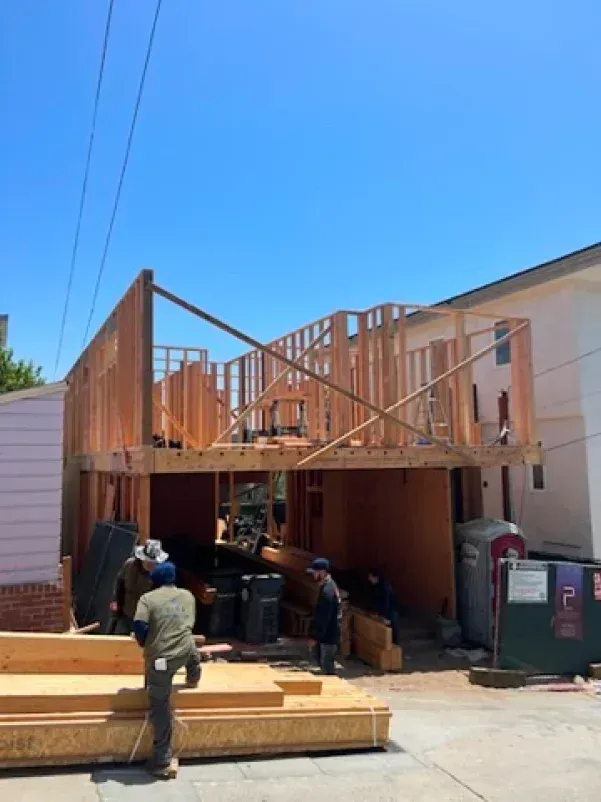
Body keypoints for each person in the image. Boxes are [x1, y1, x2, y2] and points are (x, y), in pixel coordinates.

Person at [133, 561, 201, 778]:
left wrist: (145, 643)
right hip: (184, 650)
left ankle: (162, 759)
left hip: (161, 659)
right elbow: (185, 624)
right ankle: (193, 677)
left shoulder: (147, 599)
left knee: (160, 705)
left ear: (154, 581)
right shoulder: (188, 596)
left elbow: (139, 626)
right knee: (189, 645)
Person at [110, 540, 169, 635]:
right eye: (148, 561)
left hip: (145, 620)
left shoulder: (160, 575)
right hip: (126, 614)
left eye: (153, 562)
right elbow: (119, 583)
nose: (150, 564)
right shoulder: (129, 565)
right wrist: (115, 601)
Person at [306, 557, 341, 675]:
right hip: (327, 636)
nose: (313, 575)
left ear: (323, 572)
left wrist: (315, 637)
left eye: (315, 573)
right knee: (325, 667)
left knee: (327, 670)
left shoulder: (327, 591)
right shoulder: (329, 587)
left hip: (327, 637)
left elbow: (323, 618)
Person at [367, 569, 400, 646]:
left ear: (376, 577)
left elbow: (386, 601)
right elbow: (373, 598)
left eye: (370, 576)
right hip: (383, 607)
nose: (369, 578)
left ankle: (395, 644)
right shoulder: (374, 585)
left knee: (392, 625)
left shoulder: (384, 586)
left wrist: (383, 613)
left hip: (391, 607)